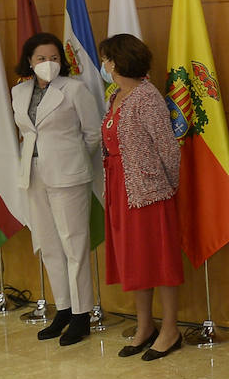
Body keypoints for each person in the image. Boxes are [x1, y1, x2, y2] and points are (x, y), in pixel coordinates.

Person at [97, 34, 186, 362]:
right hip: (121, 189)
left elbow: (168, 149)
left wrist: (165, 188)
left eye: (106, 59)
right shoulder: (116, 95)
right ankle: (144, 326)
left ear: (117, 61)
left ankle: (170, 329)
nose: (103, 65)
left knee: (159, 262)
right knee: (135, 261)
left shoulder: (147, 97)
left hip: (149, 191)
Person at [10, 32, 102, 346]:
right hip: (33, 175)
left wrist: (70, 159)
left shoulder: (74, 89)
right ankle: (62, 308)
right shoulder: (18, 92)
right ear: (29, 61)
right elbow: (25, 133)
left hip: (69, 176)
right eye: (41, 58)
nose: (48, 64)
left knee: (74, 245)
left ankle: (82, 314)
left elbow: (93, 134)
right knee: (48, 245)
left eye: (53, 58)